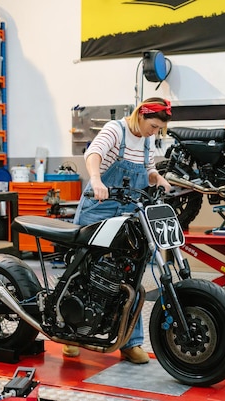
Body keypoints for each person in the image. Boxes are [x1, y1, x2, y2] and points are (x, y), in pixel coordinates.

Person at [62, 97, 172, 363]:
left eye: (158, 129)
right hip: (98, 207)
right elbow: (93, 154)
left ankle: (130, 342)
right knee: (83, 269)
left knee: (129, 274)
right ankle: (69, 334)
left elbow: (146, 170)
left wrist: (157, 177)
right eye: (153, 126)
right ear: (141, 115)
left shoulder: (147, 140)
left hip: (128, 210)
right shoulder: (116, 129)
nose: (154, 132)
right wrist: (97, 179)